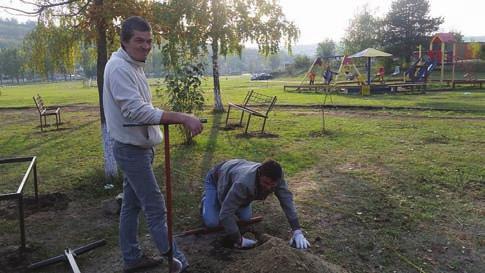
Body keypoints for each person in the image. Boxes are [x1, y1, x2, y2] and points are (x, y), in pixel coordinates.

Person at [103, 16, 203, 273]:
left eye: (149, 41)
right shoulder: (118, 68)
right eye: (139, 40)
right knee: (155, 205)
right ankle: (176, 260)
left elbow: (141, 108)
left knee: (131, 205)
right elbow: (137, 111)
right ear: (124, 41)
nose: (146, 46)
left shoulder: (133, 65)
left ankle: (132, 258)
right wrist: (182, 117)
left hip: (140, 148)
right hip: (130, 150)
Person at [200, 159, 310, 249]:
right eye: (266, 183)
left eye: (272, 185)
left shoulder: (278, 178)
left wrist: (297, 230)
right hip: (217, 178)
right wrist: (239, 240)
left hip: (235, 175)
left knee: (245, 218)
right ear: (259, 174)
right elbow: (225, 214)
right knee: (212, 222)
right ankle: (207, 199)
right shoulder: (243, 183)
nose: (268, 187)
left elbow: (286, 200)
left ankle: (235, 200)